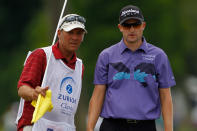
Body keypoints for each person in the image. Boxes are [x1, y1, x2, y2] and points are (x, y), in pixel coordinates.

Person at [87, 5, 176, 131]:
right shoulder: (106, 56)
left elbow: (166, 97)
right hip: (112, 126)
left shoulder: (159, 56)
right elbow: (97, 95)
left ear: (143, 25)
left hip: (145, 126)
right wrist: (90, 128)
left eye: (136, 24)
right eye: (127, 25)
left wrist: (169, 129)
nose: (132, 29)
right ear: (120, 27)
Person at [16, 14, 87, 131]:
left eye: (79, 33)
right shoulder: (41, 55)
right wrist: (34, 93)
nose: (75, 37)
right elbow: (22, 88)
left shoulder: (80, 66)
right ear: (59, 33)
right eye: (70, 32)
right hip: (34, 126)